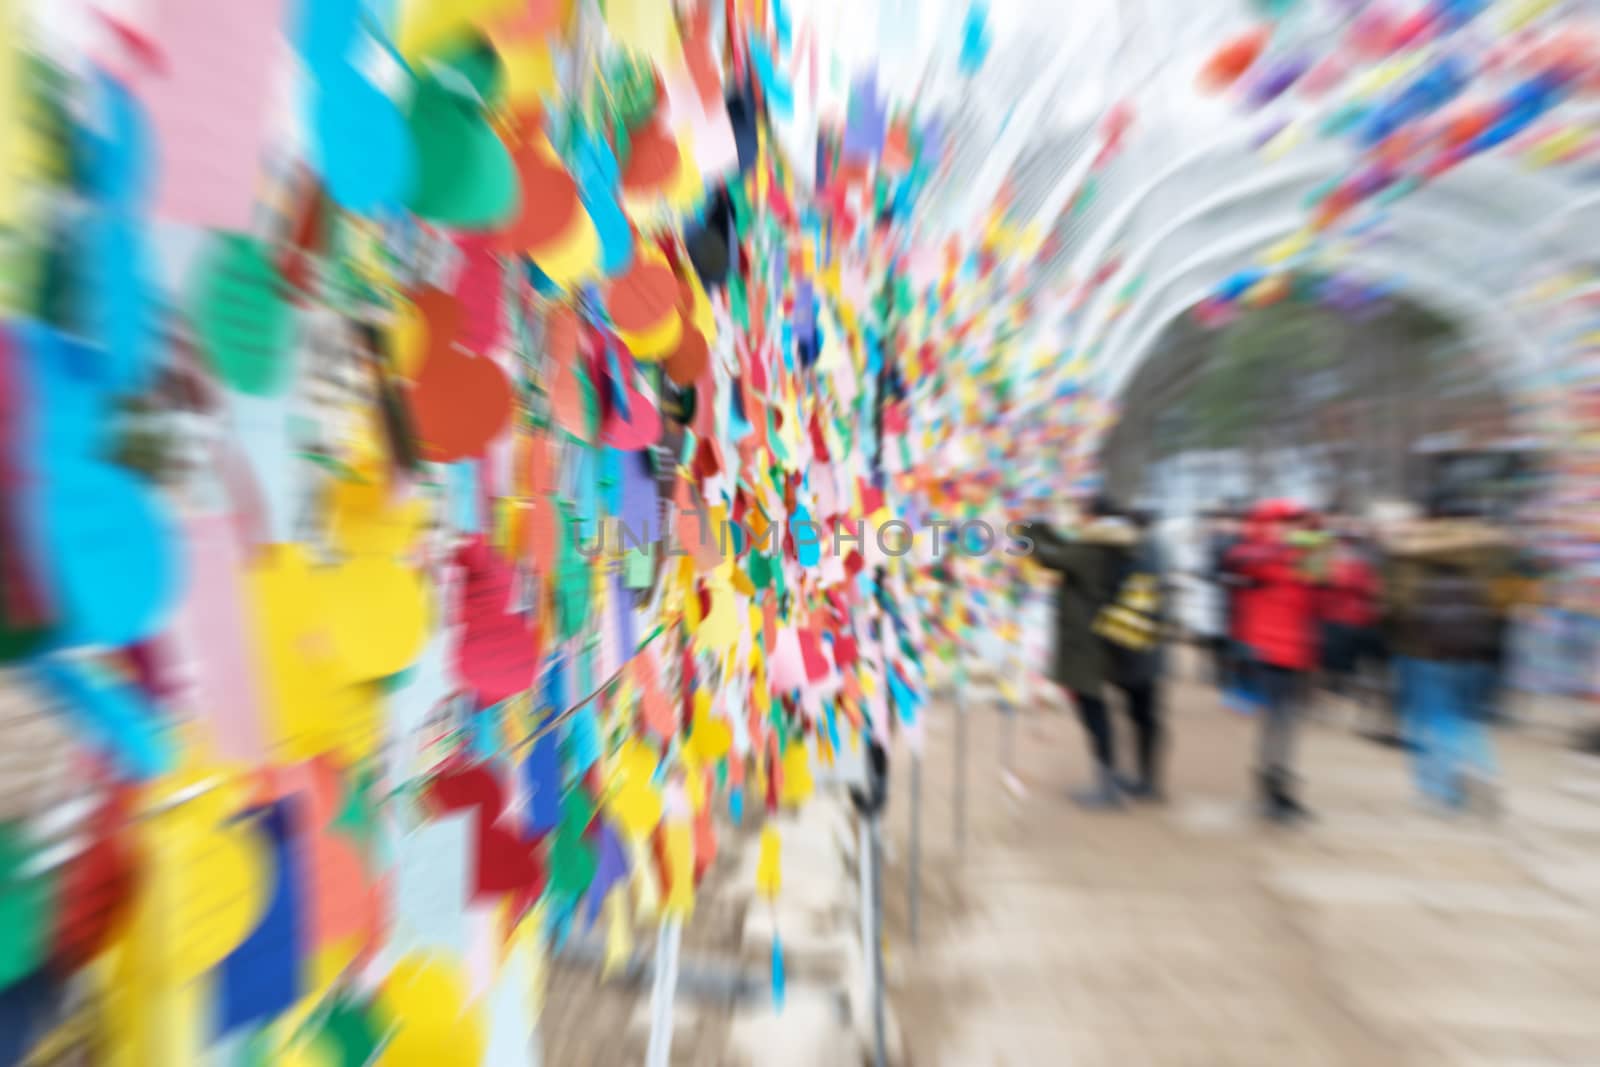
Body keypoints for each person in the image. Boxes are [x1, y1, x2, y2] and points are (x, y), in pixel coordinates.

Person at [1383, 503, 1512, 811]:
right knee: (1465, 717)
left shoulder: (1411, 550)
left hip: (1420, 649)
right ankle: (1483, 767)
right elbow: (1505, 599)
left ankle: (1439, 788)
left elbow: (1397, 604)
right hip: (1473, 648)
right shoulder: (1490, 551)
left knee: (1429, 718)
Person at [1026, 496, 1146, 809]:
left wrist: (1028, 528)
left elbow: (1053, 557)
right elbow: (1064, 550)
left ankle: (1107, 785)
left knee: (1094, 712)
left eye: (1080, 514)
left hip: (1086, 643)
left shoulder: (1095, 548)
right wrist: (1043, 528)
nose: (1076, 520)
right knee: (1094, 709)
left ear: (1092, 517)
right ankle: (1107, 779)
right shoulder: (1106, 544)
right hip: (1095, 638)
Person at [1227, 500, 1320, 822]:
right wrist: (1282, 546)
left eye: (1295, 523)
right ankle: (1271, 791)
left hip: (1297, 650)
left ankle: (1281, 790)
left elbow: (1324, 582)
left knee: (1288, 723)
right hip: (1269, 651)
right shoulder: (1258, 555)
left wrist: (1314, 537)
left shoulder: (1303, 556)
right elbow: (1236, 559)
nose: (1292, 529)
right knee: (1277, 722)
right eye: (1285, 522)